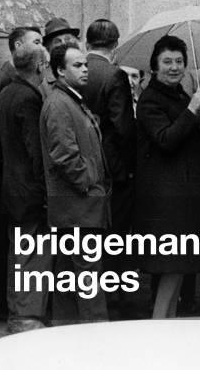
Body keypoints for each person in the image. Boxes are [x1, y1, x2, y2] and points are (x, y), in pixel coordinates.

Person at [134, 35, 200, 318]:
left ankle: (168, 321)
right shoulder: (150, 100)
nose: (174, 67)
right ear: (155, 66)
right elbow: (165, 140)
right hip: (166, 198)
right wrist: (191, 111)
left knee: (181, 265)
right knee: (172, 265)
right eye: (167, 61)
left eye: (179, 61)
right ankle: (159, 324)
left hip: (185, 196)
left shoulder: (181, 94)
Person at [41, 43, 111, 322]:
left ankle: (66, 332)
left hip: (78, 205)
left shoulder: (71, 99)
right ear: (60, 71)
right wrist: (89, 182)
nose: (85, 70)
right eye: (77, 65)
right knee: (88, 278)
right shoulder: (60, 103)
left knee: (70, 277)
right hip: (77, 205)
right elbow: (64, 155)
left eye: (85, 64)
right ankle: (96, 332)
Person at [81, 19, 137, 301]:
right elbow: (123, 127)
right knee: (113, 238)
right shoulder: (115, 76)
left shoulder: (75, 70)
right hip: (112, 168)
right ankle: (110, 297)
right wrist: (128, 169)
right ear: (115, 45)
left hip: (80, 165)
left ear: (87, 43)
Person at [0, 44, 49, 332]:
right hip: (28, 189)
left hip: (12, 187)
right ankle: (25, 315)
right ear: (40, 66)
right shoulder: (30, 98)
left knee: (18, 252)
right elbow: (35, 151)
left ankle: (17, 311)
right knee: (33, 253)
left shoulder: (8, 91)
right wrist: (45, 189)